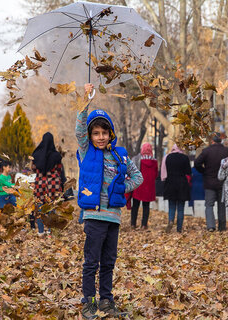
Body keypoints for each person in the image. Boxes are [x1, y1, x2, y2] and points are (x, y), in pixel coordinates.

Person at [77, 83, 143, 319]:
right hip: (94, 216)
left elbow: (138, 176)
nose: (101, 137)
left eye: (104, 133)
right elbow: (79, 129)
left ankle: (106, 300)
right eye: (96, 133)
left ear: (111, 133)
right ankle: (89, 302)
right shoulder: (86, 151)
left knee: (108, 262)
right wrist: (85, 99)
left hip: (113, 217)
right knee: (91, 262)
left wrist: (121, 188)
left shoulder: (120, 155)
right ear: (90, 135)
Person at [194, 132, 228, 232]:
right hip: (222, 182)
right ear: (221, 140)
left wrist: (203, 171)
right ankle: (222, 227)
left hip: (209, 182)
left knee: (209, 205)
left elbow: (197, 163)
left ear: (212, 141)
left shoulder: (206, 151)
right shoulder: (226, 151)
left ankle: (211, 226)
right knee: (222, 206)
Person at [32, 132, 64, 235]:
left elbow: (33, 168)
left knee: (40, 207)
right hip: (53, 184)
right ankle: (50, 231)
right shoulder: (56, 155)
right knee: (52, 207)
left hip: (40, 185)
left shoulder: (36, 155)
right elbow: (59, 170)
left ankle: (41, 231)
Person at [161, 144, 191, 233]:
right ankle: (179, 228)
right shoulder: (185, 158)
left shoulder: (167, 157)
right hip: (182, 184)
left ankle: (170, 221)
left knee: (171, 206)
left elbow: (163, 172)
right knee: (181, 208)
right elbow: (188, 171)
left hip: (170, 184)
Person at [131, 143, 158, 230]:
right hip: (149, 187)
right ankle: (144, 224)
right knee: (146, 207)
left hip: (138, 186)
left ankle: (133, 224)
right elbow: (156, 174)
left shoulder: (138, 160)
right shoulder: (154, 161)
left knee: (135, 206)